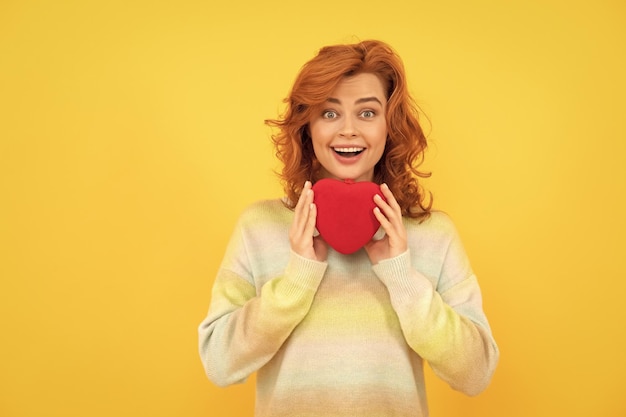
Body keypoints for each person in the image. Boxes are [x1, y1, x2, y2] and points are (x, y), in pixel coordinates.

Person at [198, 39, 499, 417]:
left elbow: (477, 373)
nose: (349, 130)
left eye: (368, 113)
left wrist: (403, 278)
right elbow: (218, 362)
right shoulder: (259, 227)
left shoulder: (432, 234)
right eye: (329, 113)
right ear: (307, 127)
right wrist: (295, 282)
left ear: (391, 126)